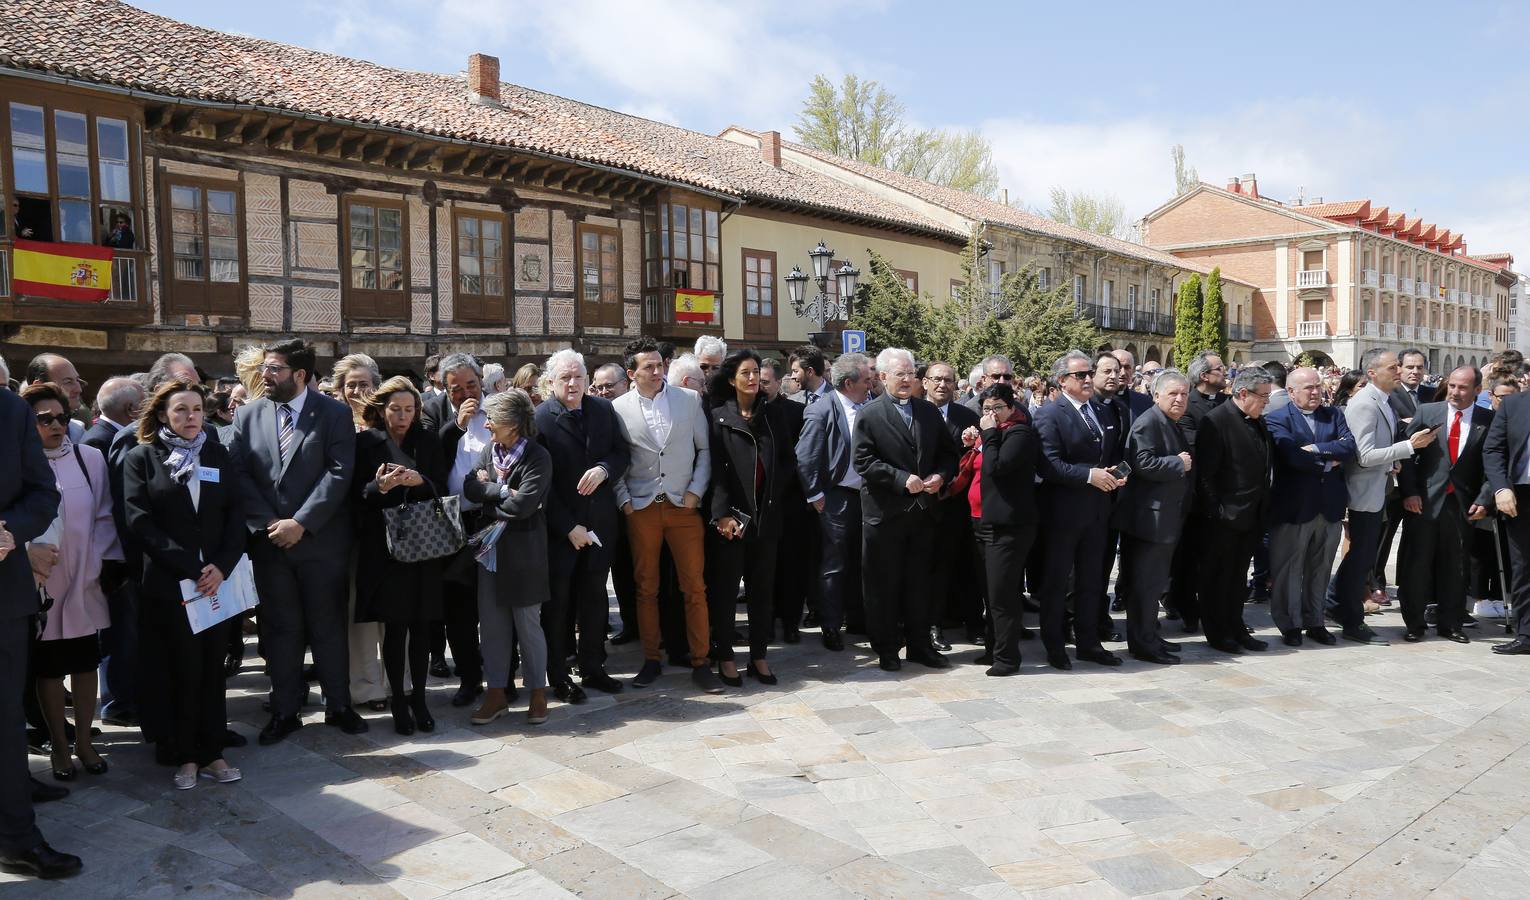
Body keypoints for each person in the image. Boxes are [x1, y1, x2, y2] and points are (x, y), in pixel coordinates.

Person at [229, 339, 363, 744]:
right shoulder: (248, 416)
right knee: (280, 630)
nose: (265, 376)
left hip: (321, 543)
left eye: (274, 369)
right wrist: (272, 523)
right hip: (271, 544)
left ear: (300, 375)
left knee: (328, 627)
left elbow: (340, 473)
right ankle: (285, 710)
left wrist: (301, 523)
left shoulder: (334, 414)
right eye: (265, 369)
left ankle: (339, 705)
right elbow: (239, 474)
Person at [121, 381, 244, 790]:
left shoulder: (217, 454)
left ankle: (213, 751)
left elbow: (234, 517)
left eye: (196, 409)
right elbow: (140, 522)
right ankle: (185, 753)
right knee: (180, 669)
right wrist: (191, 567)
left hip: (215, 584)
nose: (191, 417)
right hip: (171, 584)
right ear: (161, 415)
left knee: (212, 669)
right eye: (180, 410)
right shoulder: (142, 457)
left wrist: (221, 567)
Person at [21, 383, 121, 781]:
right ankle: (59, 746)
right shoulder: (19, 464)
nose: (57, 426)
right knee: (48, 668)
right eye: (45, 420)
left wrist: (100, 564)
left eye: (62, 418)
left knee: (83, 661)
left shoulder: (89, 458)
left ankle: (84, 742)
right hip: (40, 581)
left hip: (84, 575)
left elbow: (105, 515)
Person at [610, 338, 720, 692]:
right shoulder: (617, 408)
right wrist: (624, 500)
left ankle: (701, 661)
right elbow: (615, 459)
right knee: (646, 588)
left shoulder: (689, 400)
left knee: (696, 587)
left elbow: (705, 450)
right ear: (632, 374)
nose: (658, 372)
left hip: (683, 506)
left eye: (660, 365)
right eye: (649, 367)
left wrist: (695, 492)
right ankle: (651, 659)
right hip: (642, 508)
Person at [0, 382, 78, 880]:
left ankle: (16, 838)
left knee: (5, 724)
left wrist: (10, 528)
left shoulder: (8, 409)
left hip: (2, 598)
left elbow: (41, 492)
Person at [853, 347, 960, 671]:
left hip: (923, 515)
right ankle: (886, 648)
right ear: (883, 376)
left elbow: (948, 454)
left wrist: (940, 476)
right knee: (884, 586)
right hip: (885, 515)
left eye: (911, 374)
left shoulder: (927, 412)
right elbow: (863, 460)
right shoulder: (870, 413)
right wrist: (901, 479)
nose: (907, 380)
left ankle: (919, 645)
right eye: (900, 374)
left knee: (919, 585)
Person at [534, 349, 630, 703]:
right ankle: (558, 674)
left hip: (600, 522)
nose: (573, 383)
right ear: (551, 382)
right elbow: (539, 484)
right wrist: (567, 526)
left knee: (595, 599)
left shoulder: (603, 410)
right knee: (558, 604)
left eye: (578, 377)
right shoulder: (541, 418)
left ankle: (593, 665)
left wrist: (605, 469)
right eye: (565, 377)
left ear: (588, 380)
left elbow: (622, 453)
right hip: (562, 530)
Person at [354, 377, 446, 735]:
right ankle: (398, 702)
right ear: (381, 409)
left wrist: (416, 481)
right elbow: (356, 494)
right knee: (395, 627)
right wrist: (381, 486)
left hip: (423, 544)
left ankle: (420, 698)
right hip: (385, 546)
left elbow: (441, 484)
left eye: (409, 409)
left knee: (422, 625)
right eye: (396, 409)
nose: (403, 416)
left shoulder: (427, 439)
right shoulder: (366, 442)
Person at [1325, 349, 1435, 646]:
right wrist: (1409, 447)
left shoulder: (1382, 400)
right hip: (1363, 493)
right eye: (1393, 366)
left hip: (1377, 489)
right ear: (1372, 372)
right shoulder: (1364, 403)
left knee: (1362, 558)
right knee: (1361, 559)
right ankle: (1350, 618)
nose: (1399, 370)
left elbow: (1377, 451)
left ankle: (1336, 603)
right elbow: (1363, 456)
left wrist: (1392, 462)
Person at [463, 390, 553, 725]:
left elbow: (523, 505)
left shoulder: (538, 456)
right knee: (492, 626)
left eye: (492, 419)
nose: (485, 425)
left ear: (513, 424)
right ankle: (496, 694)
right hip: (490, 554)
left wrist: (493, 493)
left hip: (525, 554)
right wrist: (501, 491)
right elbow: (470, 486)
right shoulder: (490, 449)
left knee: (528, 626)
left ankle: (537, 693)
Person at [702, 350, 792, 685]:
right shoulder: (718, 416)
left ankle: (758, 656)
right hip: (730, 522)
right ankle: (725, 656)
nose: (753, 378)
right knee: (726, 591)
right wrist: (723, 515)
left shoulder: (772, 415)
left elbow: (786, 463)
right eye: (746, 373)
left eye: (757, 372)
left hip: (766, 518)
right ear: (731, 379)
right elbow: (715, 472)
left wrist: (771, 498)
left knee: (762, 591)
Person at [1034, 351, 1126, 670]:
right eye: (1080, 375)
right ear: (1062, 381)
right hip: (1062, 513)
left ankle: (1088, 642)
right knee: (1058, 581)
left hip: (1097, 510)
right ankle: (1055, 645)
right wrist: (1090, 475)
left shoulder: (1098, 410)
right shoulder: (1050, 414)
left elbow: (1099, 455)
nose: (1088, 379)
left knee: (1091, 581)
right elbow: (1048, 464)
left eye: (1089, 373)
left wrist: (1111, 473)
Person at [1396, 366, 1491, 644]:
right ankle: (1414, 624)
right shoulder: (1428, 412)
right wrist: (1409, 492)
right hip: (1423, 502)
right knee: (1417, 565)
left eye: (1463, 388)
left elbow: (1493, 463)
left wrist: (1484, 499)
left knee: (1456, 566)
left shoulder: (1489, 419)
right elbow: (1407, 452)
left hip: (1462, 505)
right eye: (1452, 386)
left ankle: (1451, 624)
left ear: (1477, 390)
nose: (1455, 393)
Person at [1263, 367, 1354, 647]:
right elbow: (1291, 456)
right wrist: (1330, 456)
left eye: (1318, 386)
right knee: (1288, 568)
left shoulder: (1334, 414)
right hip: (1294, 506)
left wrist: (1314, 451)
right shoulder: (1277, 419)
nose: (1316, 392)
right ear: (1291, 392)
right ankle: (1290, 624)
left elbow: (1349, 448)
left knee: (1321, 566)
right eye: (1308, 388)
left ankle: (1315, 620)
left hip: (1329, 505)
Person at [1112, 369, 1194, 665]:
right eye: (1173, 393)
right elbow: (1142, 462)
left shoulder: (1169, 422)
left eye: (1184, 394)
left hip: (1164, 518)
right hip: (1148, 521)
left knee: (1153, 583)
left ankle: (1149, 636)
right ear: (1156, 395)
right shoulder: (1149, 422)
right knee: (1145, 585)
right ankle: (1143, 643)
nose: (1179, 399)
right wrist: (1177, 463)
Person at [1192, 368, 1275, 655]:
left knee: (1238, 577)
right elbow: (1205, 475)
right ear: (1242, 393)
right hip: (1224, 518)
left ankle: (1236, 627)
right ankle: (1218, 633)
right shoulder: (1216, 422)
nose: (1267, 401)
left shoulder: (1257, 420)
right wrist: (1218, 511)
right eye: (1263, 396)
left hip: (1251, 515)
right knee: (1217, 578)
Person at [421, 354, 488, 706]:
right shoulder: (433, 412)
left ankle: (501, 675)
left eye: (471, 385)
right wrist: (456, 428)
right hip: (453, 524)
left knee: (495, 603)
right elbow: (428, 461)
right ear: (443, 388)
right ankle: (469, 677)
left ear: (482, 380)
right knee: (459, 609)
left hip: (494, 521)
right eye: (456, 389)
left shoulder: (501, 408)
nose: (465, 394)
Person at [796, 352, 872, 652]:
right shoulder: (822, 410)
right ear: (849, 382)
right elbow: (805, 456)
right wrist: (815, 494)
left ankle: (858, 618)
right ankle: (830, 625)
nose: (872, 383)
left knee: (861, 560)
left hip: (866, 496)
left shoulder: (868, 406)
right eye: (866, 379)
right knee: (835, 563)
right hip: (836, 497)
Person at [966, 383, 1037, 675]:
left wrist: (989, 434)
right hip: (980, 520)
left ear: (1011, 408)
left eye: (997, 408)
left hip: (1008, 526)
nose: (992, 414)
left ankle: (1007, 658)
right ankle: (993, 649)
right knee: (988, 592)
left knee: (1002, 594)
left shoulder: (1019, 433)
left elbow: (997, 468)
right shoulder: (992, 436)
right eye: (986, 409)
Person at [331, 354, 388, 714]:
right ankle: (366, 686)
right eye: (350, 384)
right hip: (347, 530)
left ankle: (401, 680)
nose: (357, 390)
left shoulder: (390, 419)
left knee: (393, 610)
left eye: (364, 384)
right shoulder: (331, 424)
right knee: (358, 611)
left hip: (389, 531)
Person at [1166, 349, 1228, 631]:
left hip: (1227, 493)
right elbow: (1195, 450)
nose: (1225, 371)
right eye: (1220, 368)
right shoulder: (1188, 407)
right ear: (1204, 375)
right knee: (1191, 558)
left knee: (1217, 558)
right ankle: (1187, 609)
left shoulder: (1228, 402)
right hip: (1199, 495)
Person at [922, 361, 981, 650]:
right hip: (921, 503)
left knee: (967, 565)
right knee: (932, 567)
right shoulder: (913, 412)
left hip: (959, 505)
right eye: (936, 379)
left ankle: (973, 622)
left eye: (948, 380)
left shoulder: (967, 415)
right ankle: (932, 626)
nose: (942, 385)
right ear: (925, 383)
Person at [1484, 378, 1530, 655]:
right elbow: (1493, 450)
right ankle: (1526, 633)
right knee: (1523, 566)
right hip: (1521, 496)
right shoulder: (1513, 405)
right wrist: (1501, 487)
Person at [25, 355, 87, 444]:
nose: (78, 389)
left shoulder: (77, 431)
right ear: (39, 385)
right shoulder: (15, 430)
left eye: (77, 380)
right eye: (68, 382)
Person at [83, 377, 144, 454]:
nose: (149, 408)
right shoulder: (96, 442)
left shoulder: (113, 435)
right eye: (144, 402)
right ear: (130, 409)